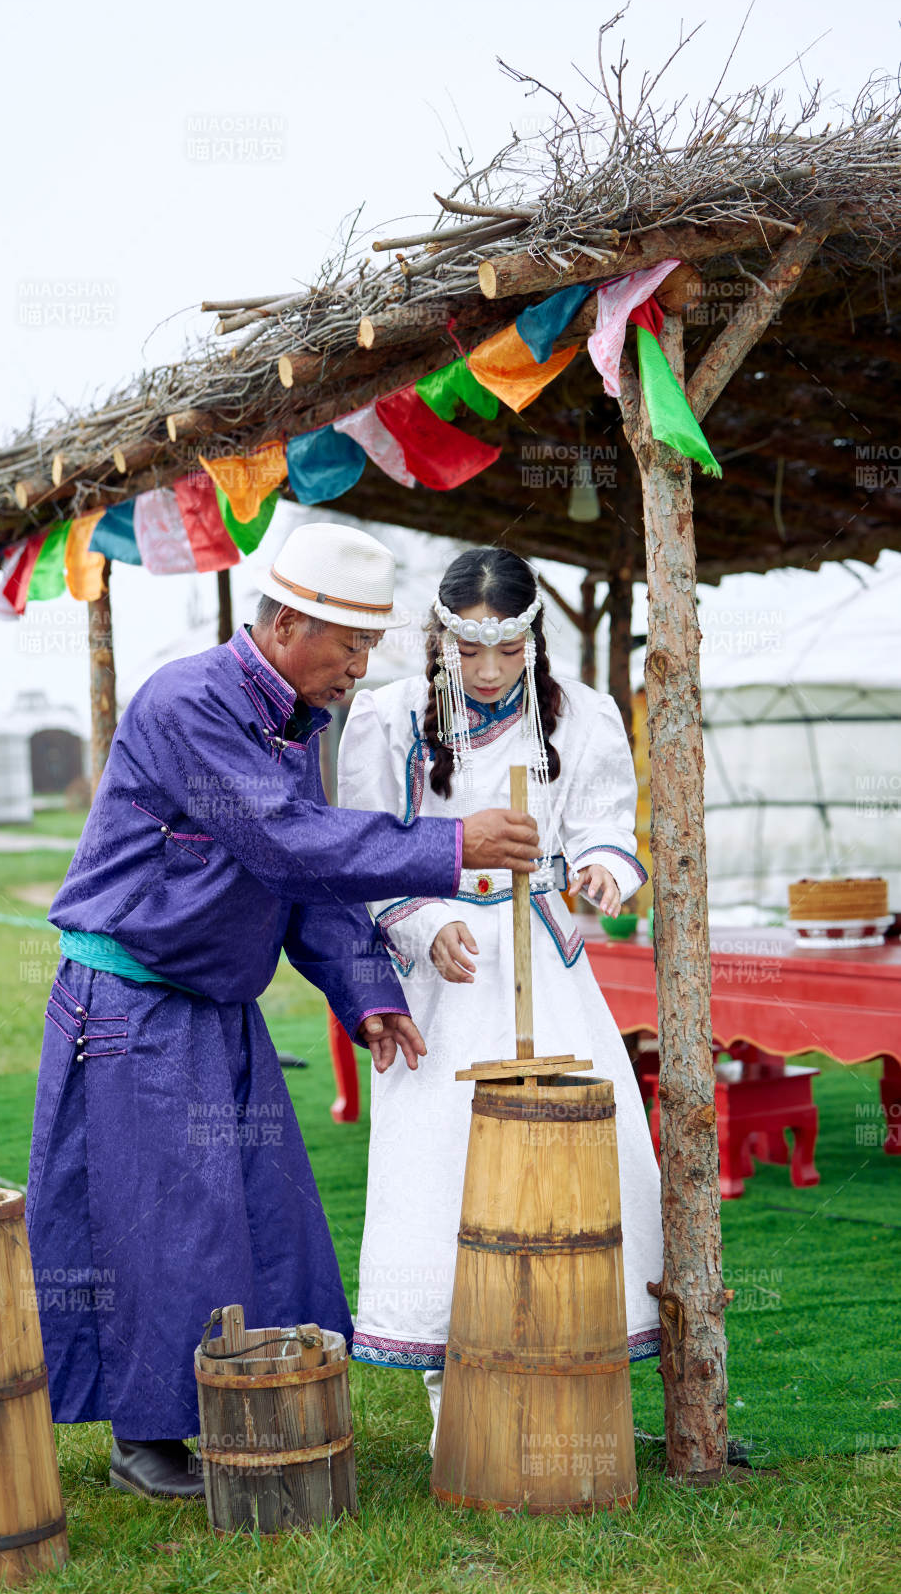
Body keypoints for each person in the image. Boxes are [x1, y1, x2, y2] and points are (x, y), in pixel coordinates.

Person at [25, 522, 541, 1499]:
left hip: (213, 1004)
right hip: (130, 1004)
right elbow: (287, 840)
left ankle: (242, 1403)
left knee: (260, 1218)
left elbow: (303, 886)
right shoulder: (190, 703)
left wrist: (367, 990)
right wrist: (450, 841)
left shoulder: (288, 722)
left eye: (369, 644)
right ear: (290, 622)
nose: (359, 665)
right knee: (161, 1227)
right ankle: (148, 1438)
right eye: (349, 642)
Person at [336, 545, 664, 1455]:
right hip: (445, 975)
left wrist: (601, 868)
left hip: (548, 972)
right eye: (466, 652)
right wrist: (417, 920)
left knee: (585, 1160)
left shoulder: (585, 716)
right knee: (448, 1173)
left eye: (505, 652)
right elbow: (362, 846)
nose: (485, 673)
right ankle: (464, 1413)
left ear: (532, 640)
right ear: (439, 640)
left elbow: (605, 825)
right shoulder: (387, 715)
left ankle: (581, 1368)